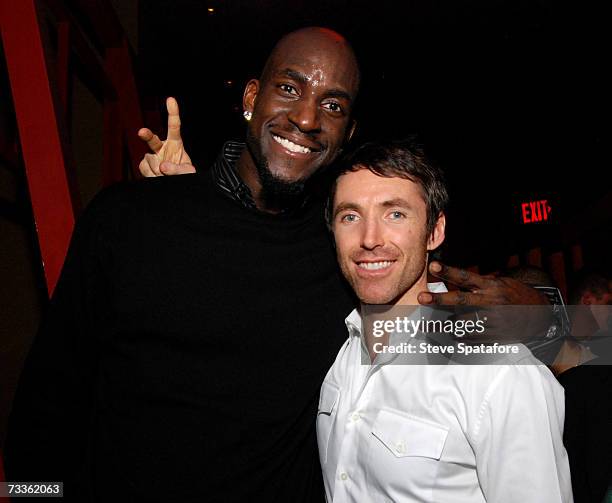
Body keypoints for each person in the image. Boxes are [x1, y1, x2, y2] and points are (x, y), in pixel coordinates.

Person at [5, 27, 549, 502]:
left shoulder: (347, 251)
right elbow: (43, 413)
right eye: (290, 88)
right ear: (251, 97)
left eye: (333, 105)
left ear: (347, 133)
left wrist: (540, 313)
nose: (307, 117)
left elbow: (587, 340)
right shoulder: (129, 220)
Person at [317, 139, 572, 502]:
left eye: (395, 214)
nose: (369, 239)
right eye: (350, 216)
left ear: (434, 232)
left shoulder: (500, 371)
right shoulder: (340, 357)